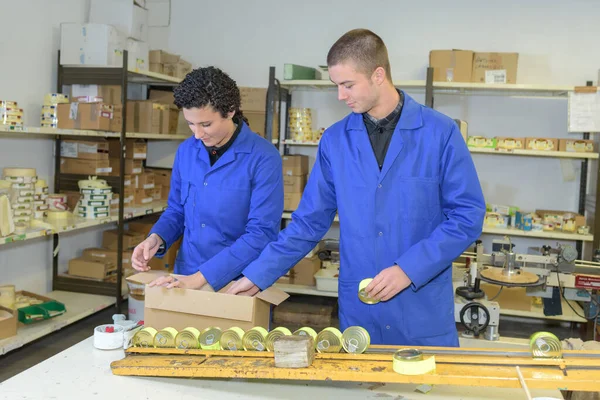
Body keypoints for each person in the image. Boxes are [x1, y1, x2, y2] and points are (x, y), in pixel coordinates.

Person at [227, 29, 486, 347]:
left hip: (420, 306)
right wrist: (257, 274)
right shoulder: (334, 141)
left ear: (378, 75)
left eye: (347, 85)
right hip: (361, 311)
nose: (340, 95)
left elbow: (467, 216)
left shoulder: (440, 133)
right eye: (336, 86)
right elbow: (309, 223)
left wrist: (409, 269)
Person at [131, 67, 283, 292]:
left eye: (206, 124)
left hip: (239, 280)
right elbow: (176, 210)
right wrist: (157, 238)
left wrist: (203, 277)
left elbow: (261, 234)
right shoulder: (186, 151)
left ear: (230, 111)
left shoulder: (263, 157)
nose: (197, 135)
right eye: (191, 124)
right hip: (186, 273)